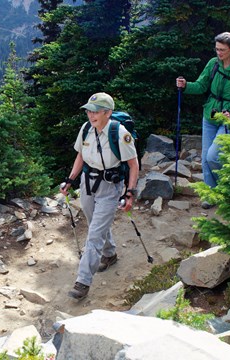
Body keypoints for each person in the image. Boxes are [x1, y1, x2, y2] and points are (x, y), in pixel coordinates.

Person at [60, 92, 139, 300]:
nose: (90, 115)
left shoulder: (119, 133)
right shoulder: (86, 129)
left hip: (110, 187)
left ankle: (83, 281)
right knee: (94, 221)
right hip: (88, 183)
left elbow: (133, 164)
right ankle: (110, 254)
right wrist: (70, 180)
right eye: (88, 110)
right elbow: (80, 155)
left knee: (94, 233)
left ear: (108, 113)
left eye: (95, 111)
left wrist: (130, 192)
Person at [175, 32, 230, 208]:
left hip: (229, 118)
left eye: (222, 49)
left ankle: (226, 189)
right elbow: (201, 86)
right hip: (210, 114)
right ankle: (211, 194)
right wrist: (186, 86)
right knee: (205, 157)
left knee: (213, 156)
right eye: (217, 49)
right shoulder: (213, 64)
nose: (219, 53)